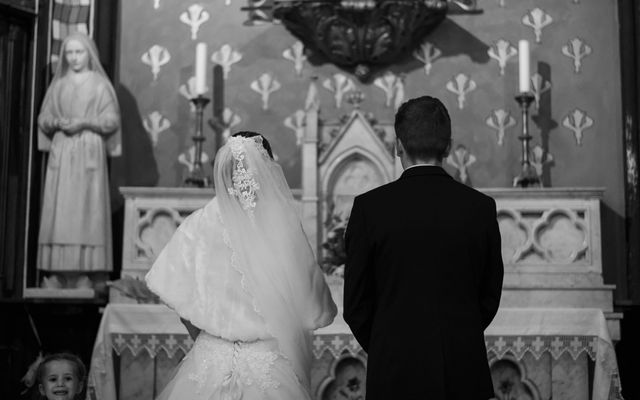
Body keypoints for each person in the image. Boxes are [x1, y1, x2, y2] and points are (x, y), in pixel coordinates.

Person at [145, 131, 337, 400]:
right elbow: (313, 311)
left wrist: (212, 342)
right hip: (269, 364)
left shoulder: (198, 225)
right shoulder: (284, 230)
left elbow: (182, 305)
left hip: (209, 358)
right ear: (267, 169)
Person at [343, 96, 504, 399]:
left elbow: (355, 305)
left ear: (398, 145)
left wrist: (388, 344)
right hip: (463, 368)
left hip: (393, 372)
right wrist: (458, 335)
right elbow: (489, 294)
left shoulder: (370, 209)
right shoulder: (480, 208)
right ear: (448, 146)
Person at [36, 32, 121, 290]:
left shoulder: (98, 84)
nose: (74, 58)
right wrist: (55, 122)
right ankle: (59, 273)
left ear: (89, 54)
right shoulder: (59, 85)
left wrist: (84, 122)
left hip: (88, 153)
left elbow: (112, 120)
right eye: (69, 53)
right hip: (62, 154)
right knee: (59, 214)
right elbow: (43, 117)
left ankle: (87, 271)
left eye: (79, 52)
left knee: (86, 212)